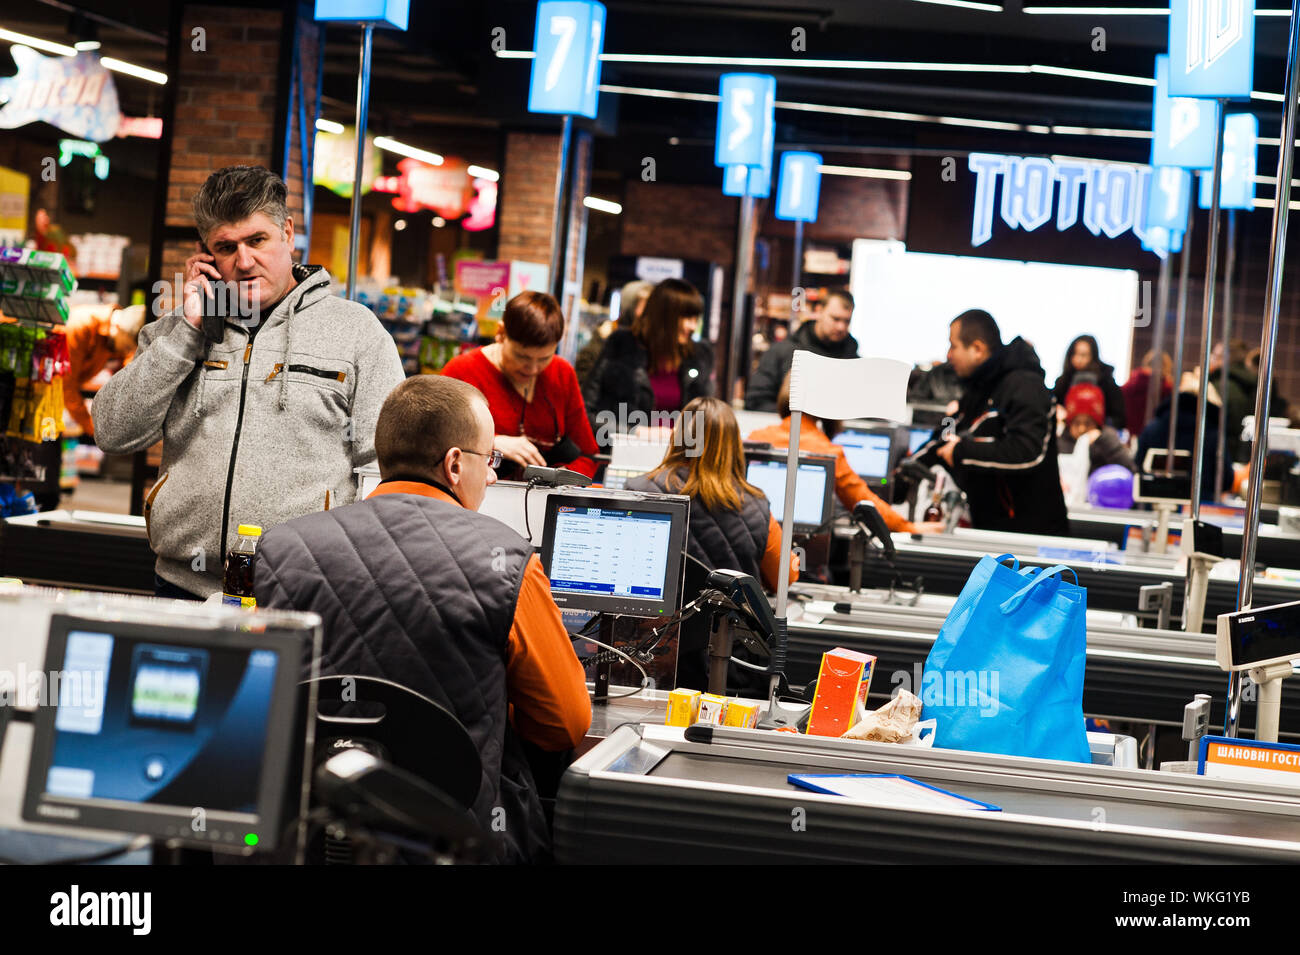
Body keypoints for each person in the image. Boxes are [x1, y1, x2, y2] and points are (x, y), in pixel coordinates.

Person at [255, 375, 590, 864]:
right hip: (452, 836)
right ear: (455, 464)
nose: (492, 475)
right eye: (489, 459)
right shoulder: (507, 561)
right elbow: (564, 724)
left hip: (311, 833)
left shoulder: (282, 549)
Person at [92, 165, 406, 599]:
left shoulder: (356, 333)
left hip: (304, 589)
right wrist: (188, 330)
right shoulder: (175, 331)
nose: (243, 261)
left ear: (288, 232)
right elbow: (112, 430)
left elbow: (387, 464)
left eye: (257, 240)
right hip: (183, 587)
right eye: (226, 247)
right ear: (206, 257)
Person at [627, 397, 800, 689]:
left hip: (658, 661)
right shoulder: (756, 504)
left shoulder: (640, 493)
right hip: (732, 665)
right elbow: (786, 577)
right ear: (734, 444)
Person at [916, 309, 1069, 534]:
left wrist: (962, 451)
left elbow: (1027, 451)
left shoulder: (1025, 385)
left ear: (977, 349)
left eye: (953, 345)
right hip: (991, 529)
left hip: (1031, 536)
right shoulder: (979, 387)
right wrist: (913, 465)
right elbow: (949, 431)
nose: (949, 354)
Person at [746, 374, 940, 535]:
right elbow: (864, 503)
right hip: (803, 554)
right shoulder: (827, 451)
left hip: (753, 540)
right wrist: (909, 527)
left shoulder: (755, 438)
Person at [441, 291, 599, 480]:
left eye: (544, 358)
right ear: (500, 334)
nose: (533, 369)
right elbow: (438, 444)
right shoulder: (461, 372)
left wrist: (559, 482)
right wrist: (491, 443)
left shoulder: (562, 373)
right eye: (522, 356)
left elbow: (589, 453)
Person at [582, 277, 714, 446]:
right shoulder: (621, 345)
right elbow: (586, 414)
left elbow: (707, 420)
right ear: (665, 316)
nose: (692, 327)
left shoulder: (700, 356)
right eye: (687, 318)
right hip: (624, 456)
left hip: (678, 460)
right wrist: (637, 432)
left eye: (695, 319)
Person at [745, 290, 859, 413]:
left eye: (846, 321)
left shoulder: (855, 362)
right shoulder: (781, 352)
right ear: (819, 311)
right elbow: (756, 402)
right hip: (789, 430)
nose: (841, 327)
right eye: (835, 319)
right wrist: (799, 418)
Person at [1137, 370, 1233, 502]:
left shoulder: (1153, 427)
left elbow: (1138, 466)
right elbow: (1226, 479)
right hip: (1200, 505)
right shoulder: (1212, 433)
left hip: (1154, 502)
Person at [63, 303, 145, 440]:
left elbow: (127, 362)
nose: (125, 352)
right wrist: (94, 429)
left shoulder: (113, 338)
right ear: (119, 328)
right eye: (126, 347)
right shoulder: (81, 326)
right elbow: (67, 386)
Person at [574, 279, 652, 386]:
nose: (646, 313)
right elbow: (585, 378)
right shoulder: (607, 334)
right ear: (630, 305)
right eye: (644, 306)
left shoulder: (647, 340)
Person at [1058, 383, 1135, 489]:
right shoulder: (1059, 442)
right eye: (1077, 423)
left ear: (1097, 423)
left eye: (1088, 423)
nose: (1082, 429)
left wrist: (1103, 442)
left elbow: (1130, 470)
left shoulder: (1107, 439)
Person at [1052, 334, 1126, 432]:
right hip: (1066, 437)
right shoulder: (1062, 382)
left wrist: (1100, 428)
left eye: (1083, 355)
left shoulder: (1106, 383)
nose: (1078, 359)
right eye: (1074, 354)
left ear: (1093, 357)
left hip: (1097, 438)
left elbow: (1119, 418)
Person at [1120, 350, 1172, 439]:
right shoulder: (1166, 388)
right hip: (1155, 436)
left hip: (1131, 435)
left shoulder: (1130, 384)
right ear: (1165, 366)